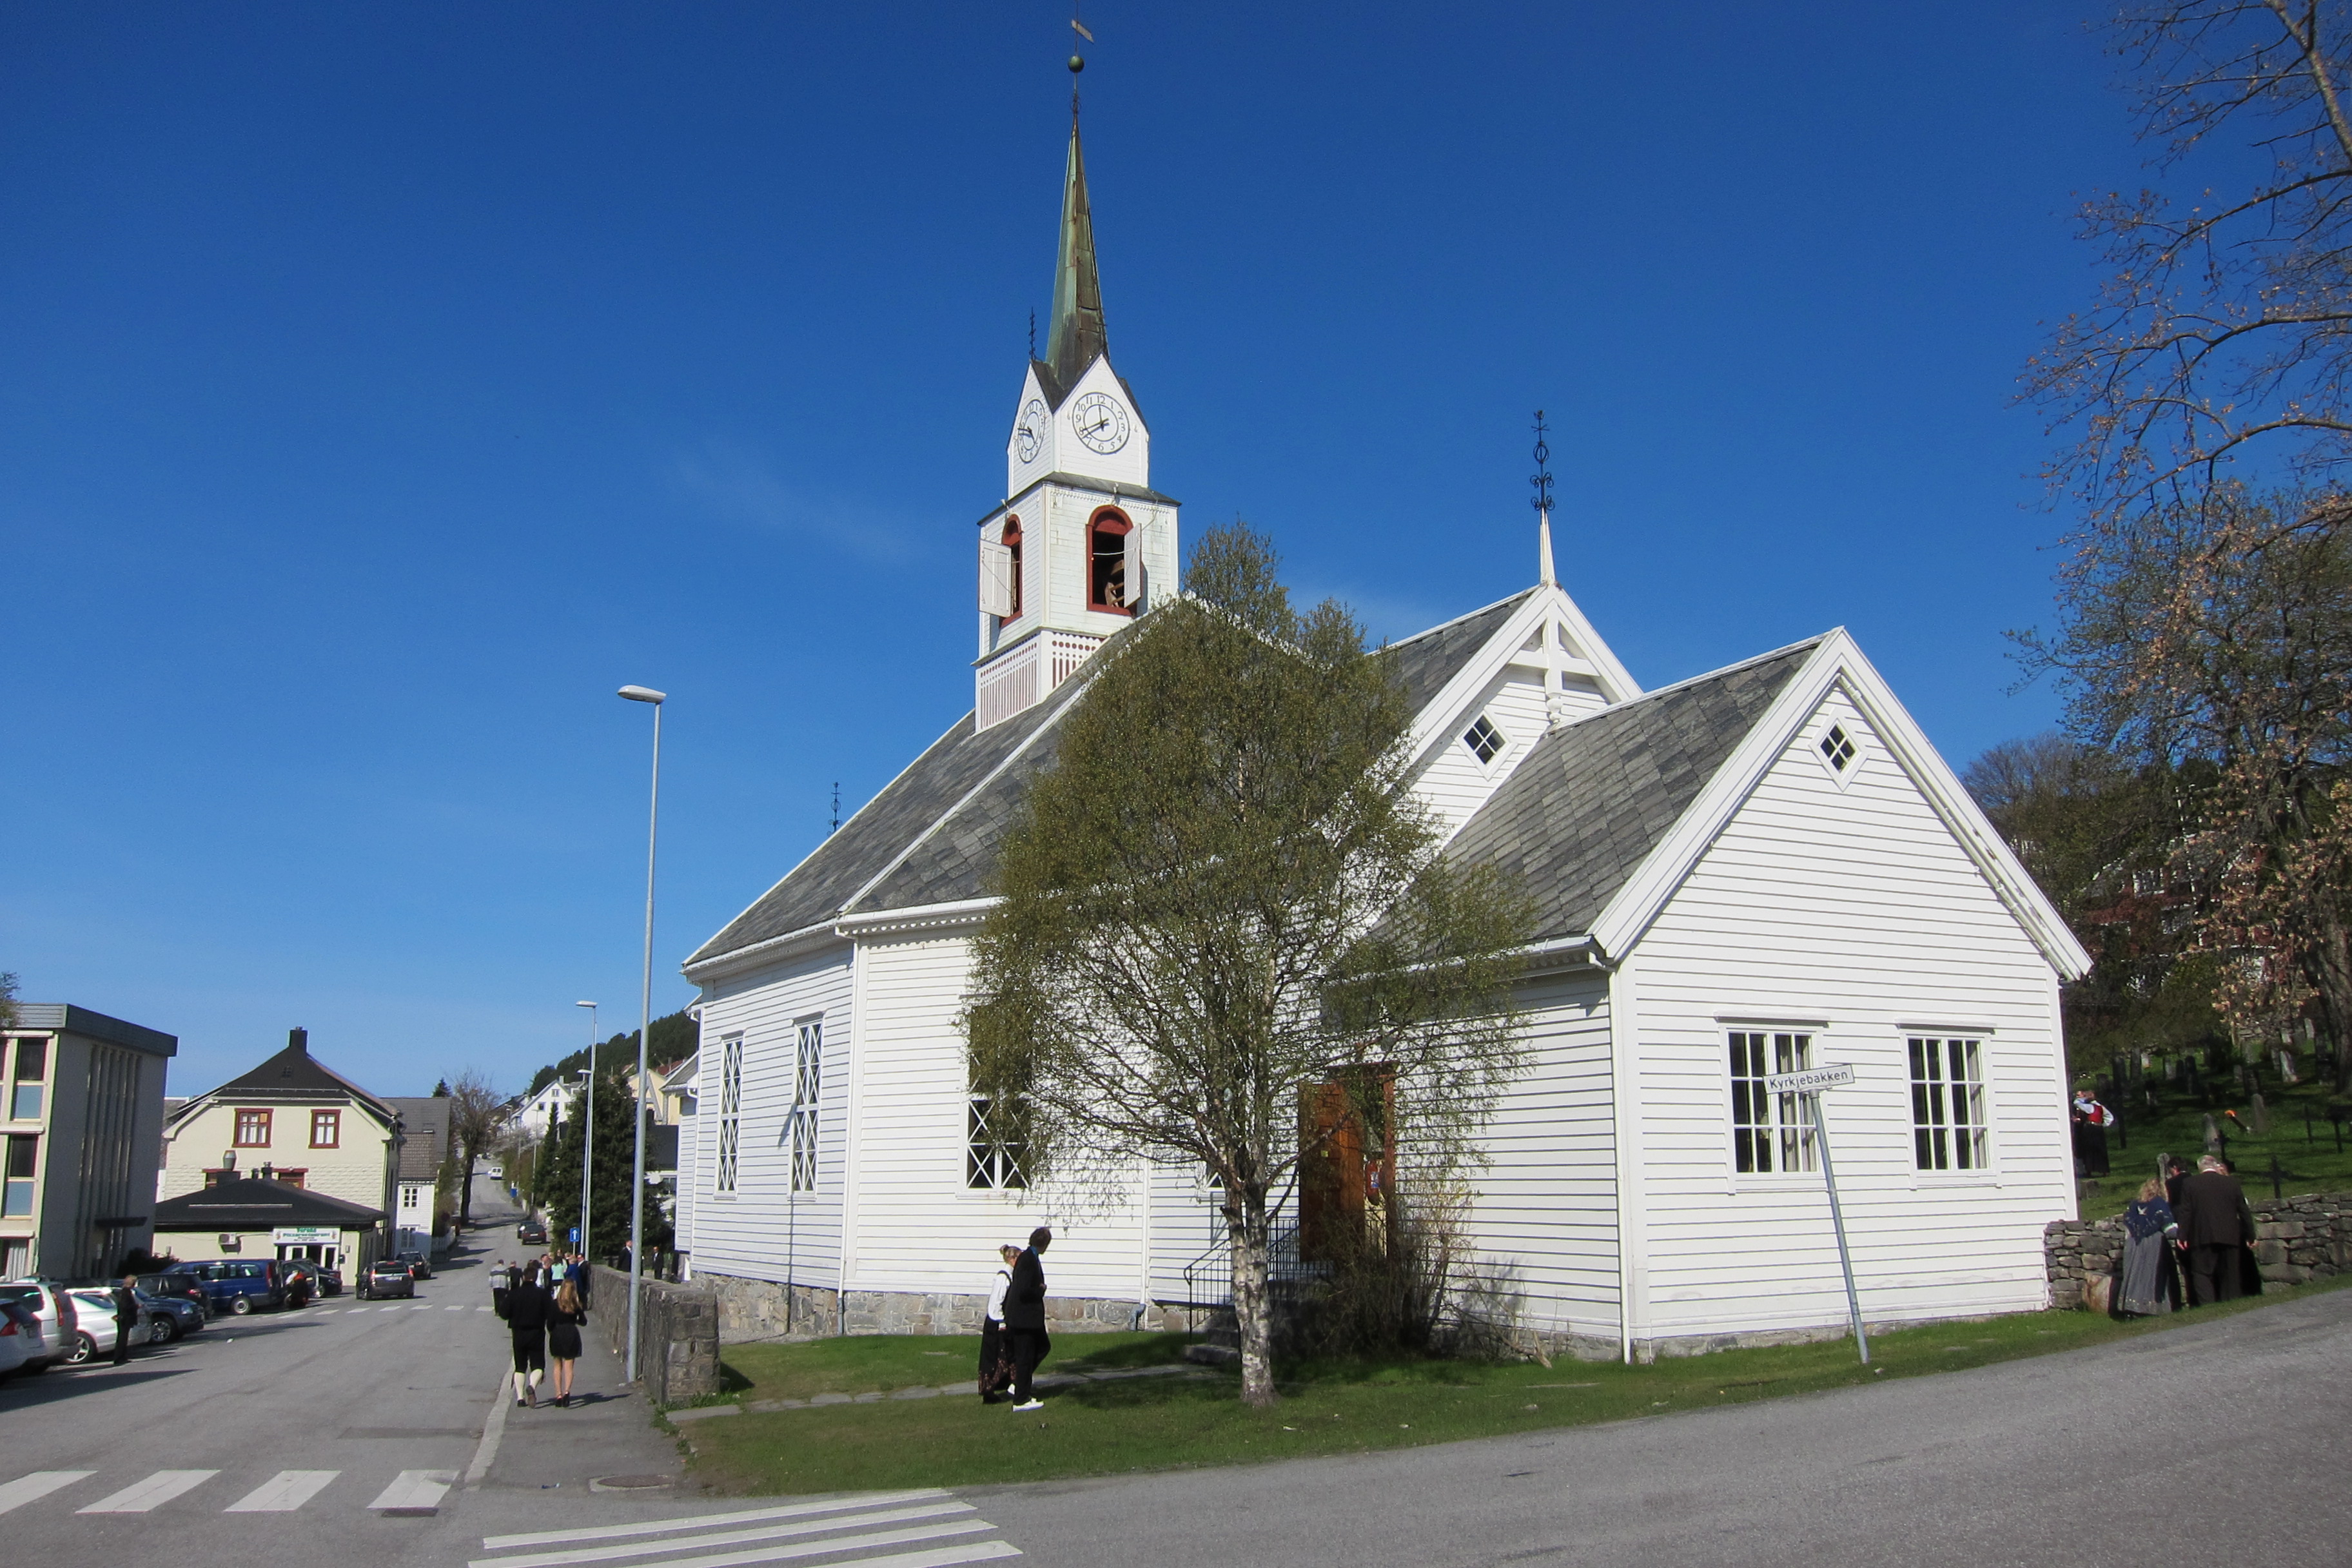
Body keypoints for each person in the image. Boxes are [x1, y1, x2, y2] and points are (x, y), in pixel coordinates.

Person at [2172, 1153, 2256, 1306]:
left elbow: (2186, 1211)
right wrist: (2250, 1235)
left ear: (2200, 1167)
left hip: (2201, 1235)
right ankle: (2231, 1303)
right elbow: (2243, 1210)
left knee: (2201, 1273)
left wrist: (2182, 1235)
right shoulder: (2231, 1183)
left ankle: (2207, 1304)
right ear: (2215, 1166)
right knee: (2230, 1273)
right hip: (2229, 1235)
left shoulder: (2190, 1184)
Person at [1004, 1226, 1052, 1412]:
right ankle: (1021, 1399)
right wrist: (1040, 1290)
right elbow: (1024, 1290)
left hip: (1029, 1318)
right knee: (1025, 1356)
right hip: (1023, 1318)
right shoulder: (1027, 1260)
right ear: (1044, 1244)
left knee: (1043, 1347)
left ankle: (1019, 1384)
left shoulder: (1031, 1257)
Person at [2116, 1178, 2179, 1317]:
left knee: (2134, 1274)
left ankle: (2131, 1307)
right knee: (2152, 1275)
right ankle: (2151, 1308)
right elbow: (2169, 1228)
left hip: (2133, 1244)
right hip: (2154, 1243)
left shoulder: (2134, 1205)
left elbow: (2127, 1224)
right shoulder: (2160, 1203)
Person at [505, 1260, 553, 1407]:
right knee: (538, 1365)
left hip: (518, 1333)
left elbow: (504, 1313)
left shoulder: (514, 1294)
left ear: (523, 1278)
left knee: (520, 1366)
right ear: (536, 1276)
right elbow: (550, 1312)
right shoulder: (542, 1294)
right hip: (536, 1332)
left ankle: (520, 1399)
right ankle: (532, 1386)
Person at [977, 1244, 1019, 1404]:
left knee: (1007, 1357)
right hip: (996, 1323)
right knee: (994, 1358)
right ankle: (988, 1391)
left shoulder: (1011, 1276)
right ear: (1012, 1259)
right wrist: (1001, 1322)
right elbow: (996, 1303)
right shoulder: (1003, 1278)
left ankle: (1008, 1385)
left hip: (1002, 1322)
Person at [547, 1277, 585, 1407]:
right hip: (571, 1333)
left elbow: (550, 1323)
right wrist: (575, 1320)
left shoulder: (554, 1303)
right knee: (569, 1366)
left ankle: (558, 1395)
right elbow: (584, 1322)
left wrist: (552, 1331)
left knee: (557, 1365)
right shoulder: (575, 1305)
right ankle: (567, 1391)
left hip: (557, 1333)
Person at [110, 1273, 141, 1366]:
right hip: (124, 1318)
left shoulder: (125, 1292)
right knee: (122, 1338)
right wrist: (136, 1306)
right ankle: (119, 1357)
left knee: (124, 1338)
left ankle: (122, 1356)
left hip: (124, 1317)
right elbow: (125, 1306)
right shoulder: (125, 1293)